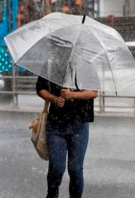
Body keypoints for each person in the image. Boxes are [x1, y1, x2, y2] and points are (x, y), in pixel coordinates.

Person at [36, 68, 98, 198]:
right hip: (56, 127)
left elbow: (94, 92)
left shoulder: (86, 65)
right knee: (56, 169)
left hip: (79, 125)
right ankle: (52, 194)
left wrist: (72, 95)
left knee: (75, 169)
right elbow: (40, 89)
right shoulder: (51, 64)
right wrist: (54, 98)